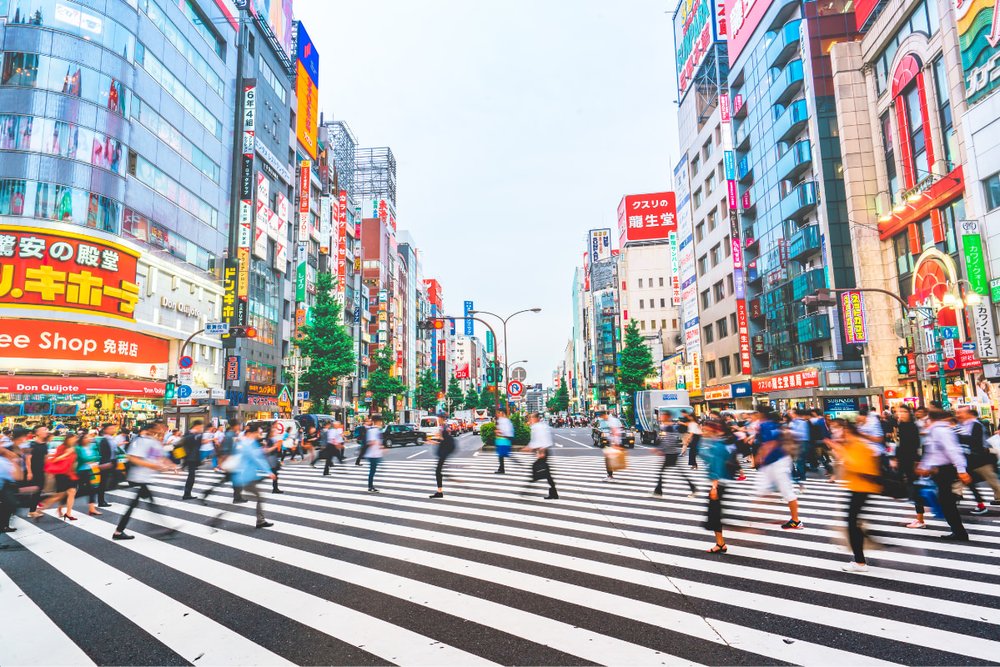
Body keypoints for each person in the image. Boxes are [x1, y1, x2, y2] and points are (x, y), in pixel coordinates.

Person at [826, 419, 881, 573]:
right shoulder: (854, 444)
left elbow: (856, 466)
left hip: (861, 488)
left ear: (846, 430)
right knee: (853, 522)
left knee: (852, 523)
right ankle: (864, 552)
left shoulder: (858, 445)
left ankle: (860, 562)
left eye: (837, 429)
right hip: (856, 487)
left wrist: (839, 449)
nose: (835, 432)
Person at [113, 421, 176, 541]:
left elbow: (160, 456)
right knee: (142, 504)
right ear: (153, 428)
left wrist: (171, 465)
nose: (163, 429)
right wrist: (154, 466)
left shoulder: (153, 441)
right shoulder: (141, 440)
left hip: (145, 478)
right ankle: (164, 528)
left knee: (143, 504)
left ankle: (120, 531)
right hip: (139, 477)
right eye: (160, 427)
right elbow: (132, 458)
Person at [917, 409, 971, 541]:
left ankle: (959, 532)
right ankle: (958, 531)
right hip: (940, 470)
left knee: (946, 502)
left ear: (932, 419)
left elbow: (953, 451)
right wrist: (924, 466)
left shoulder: (941, 431)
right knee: (945, 502)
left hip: (945, 470)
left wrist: (961, 470)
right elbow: (932, 453)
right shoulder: (936, 431)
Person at [753, 408, 803, 529]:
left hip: (777, 462)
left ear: (761, 414)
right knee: (763, 489)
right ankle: (765, 518)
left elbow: (770, 443)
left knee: (786, 491)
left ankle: (795, 520)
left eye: (755, 414)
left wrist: (760, 457)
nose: (753, 417)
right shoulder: (775, 425)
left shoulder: (765, 425)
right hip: (778, 461)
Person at [700, 419, 736, 553]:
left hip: (718, 484)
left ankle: (721, 543)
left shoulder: (717, 446)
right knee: (715, 514)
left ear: (712, 430)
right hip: (721, 482)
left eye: (706, 430)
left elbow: (716, 466)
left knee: (715, 515)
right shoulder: (718, 443)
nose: (704, 432)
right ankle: (720, 543)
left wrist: (714, 487)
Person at [956, 406, 1000, 514]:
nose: (958, 415)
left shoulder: (976, 424)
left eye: (960, 412)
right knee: (964, 481)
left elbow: (977, 442)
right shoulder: (961, 425)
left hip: (981, 458)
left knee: (991, 479)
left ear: (968, 413)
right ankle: (959, 497)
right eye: (957, 413)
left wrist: (962, 436)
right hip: (969, 459)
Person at [231, 423, 274, 529]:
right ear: (252, 433)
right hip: (246, 477)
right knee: (259, 497)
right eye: (258, 432)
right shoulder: (246, 444)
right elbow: (255, 459)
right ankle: (260, 521)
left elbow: (256, 457)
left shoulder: (249, 443)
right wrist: (268, 472)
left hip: (250, 476)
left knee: (256, 498)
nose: (260, 434)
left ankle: (260, 520)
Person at [894, 405, 926, 528]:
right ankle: (919, 518)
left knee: (915, 489)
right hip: (904, 461)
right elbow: (899, 444)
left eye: (904, 411)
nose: (901, 414)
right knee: (912, 489)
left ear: (909, 413)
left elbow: (916, 445)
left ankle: (920, 519)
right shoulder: (900, 425)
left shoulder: (912, 426)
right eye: (899, 411)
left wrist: (917, 462)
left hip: (911, 462)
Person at [199, 419, 245, 504]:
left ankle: (207, 493)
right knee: (236, 480)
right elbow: (225, 450)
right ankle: (237, 498)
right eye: (238, 425)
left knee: (224, 481)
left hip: (232, 461)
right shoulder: (229, 435)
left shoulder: (232, 434)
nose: (239, 427)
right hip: (230, 462)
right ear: (235, 426)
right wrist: (222, 463)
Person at [652, 412, 696, 496]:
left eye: (663, 416)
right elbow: (667, 440)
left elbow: (669, 441)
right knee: (677, 472)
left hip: (671, 454)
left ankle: (658, 491)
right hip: (672, 453)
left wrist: (660, 450)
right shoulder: (668, 426)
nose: (661, 417)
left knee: (663, 472)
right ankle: (658, 490)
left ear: (667, 417)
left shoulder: (669, 427)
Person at [523, 413, 558, 500]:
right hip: (543, 450)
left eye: (531, 418)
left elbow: (541, 440)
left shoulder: (538, 427)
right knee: (546, 472)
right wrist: (529, 448)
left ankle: (534, 479)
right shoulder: (540, 426)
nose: (530, 420)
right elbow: (536, 440)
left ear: (536, 418)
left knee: (539, 469)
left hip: (543, 451)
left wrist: (541, 451)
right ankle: (553, 492)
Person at [0, 428, 25, 533]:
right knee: (11, 504)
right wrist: (9, 454)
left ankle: (4, 525)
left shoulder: (19, 448)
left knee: (10, 505)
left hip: (12, 481)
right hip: (4, 481)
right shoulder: (8, 446)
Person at [24, 426, 49, 518]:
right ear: (37, 433)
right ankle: (31, 511)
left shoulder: (45, 444)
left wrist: (47, 469)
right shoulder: (31, 444)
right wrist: (29, 472)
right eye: (44, 430)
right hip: (34, 471)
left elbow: (46, 458)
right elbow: (27, 459)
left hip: (41, 471)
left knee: (39, 490)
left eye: (46, 430)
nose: (47, 431)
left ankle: (33, 510)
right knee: (35, 490)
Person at [430, 414, 457, 498]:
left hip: (444, 452)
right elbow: (441, 441)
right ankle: (440, 490)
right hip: (444, 452)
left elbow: (442, 440)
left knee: (438, 471)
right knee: (438, 471)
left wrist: (433, 440)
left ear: (442, 419)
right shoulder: (444, 427)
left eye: (439, 418)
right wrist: (431, 441)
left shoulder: (443, 428)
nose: (438, 419)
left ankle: (440, 492)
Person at [75, 431, 102, 516]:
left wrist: (92, 458)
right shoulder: (78, 448)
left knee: (92, 489)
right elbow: (84, 458)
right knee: (79, 491)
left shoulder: (91, 447)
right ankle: (62, 502)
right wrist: (92, 458)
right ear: (82, 439)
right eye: (86, 437)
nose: (89, 439)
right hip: (80, 471)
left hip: (88, 470)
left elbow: (98, 456)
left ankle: (92, 509)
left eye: (89, 437)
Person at [180, 420, 205, 500]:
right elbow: (184, 444)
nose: (202, 428)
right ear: (196, 426)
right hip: (190, 458)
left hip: (193, 458)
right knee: (191, 476)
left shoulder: (198, 435)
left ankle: (187, 493)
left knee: (191, 476)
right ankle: (186, 494)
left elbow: (197, 445)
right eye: (201, 427)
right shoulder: (189, 434)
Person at [95, 424, 117, 507]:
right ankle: (101, 501)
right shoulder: (104, 440)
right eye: (111, 428)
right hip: (106, 464)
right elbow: (103, 453)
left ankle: (101, 499)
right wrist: (106, 463)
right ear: (106, 430)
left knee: (107, 482)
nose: (113, 429)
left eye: (114, 428)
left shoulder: (112, 439)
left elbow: (114, 451)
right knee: (102, 483)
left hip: (112, 463)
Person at [788, 409, 811, 485]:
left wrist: (790, 432)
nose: (789, 414)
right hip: (799, 442)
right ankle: (800, 474)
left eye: (791, 413)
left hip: (801, 442)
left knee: (799, 459)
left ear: (795, 414)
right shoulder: (796, 422)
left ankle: (801, 475)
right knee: (799, 460)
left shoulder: (800, 422)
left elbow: (801, 434)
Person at [364, 416, 385, 493]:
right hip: (372, 454)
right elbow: (371, 442)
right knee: (372, 471)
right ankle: (370, 487)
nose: (381, 423)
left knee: (373, 470)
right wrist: (378, 444)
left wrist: (380, 446)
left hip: (375, 454)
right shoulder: (373, 430)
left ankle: (371, 486)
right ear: (378, 422)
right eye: (380, 422)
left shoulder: (375, 430)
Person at [263, 424, 284, 494]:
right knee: (274, 473)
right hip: (271, 458)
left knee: (275, 473)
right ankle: (275, 489)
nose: (275, 432)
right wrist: (275, 446)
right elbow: (266, 450)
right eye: (273, 431)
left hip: (274, 458)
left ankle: (275, 488)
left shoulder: (272, 439)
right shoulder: (268, 440)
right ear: (270, 433)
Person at [495, 408, 514, 474]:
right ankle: (501, 468)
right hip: (502, 441)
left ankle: (501, 469)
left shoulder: (504, 421)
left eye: (499, 413)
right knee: (501, 456)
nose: (498, 414)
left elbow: (506, 431)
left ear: (502, 413)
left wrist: (499, 432)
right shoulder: (504, 420)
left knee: (501, 455)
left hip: (503, 441)